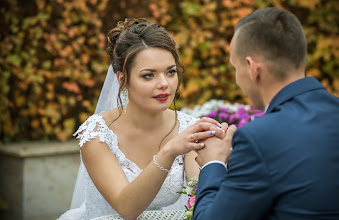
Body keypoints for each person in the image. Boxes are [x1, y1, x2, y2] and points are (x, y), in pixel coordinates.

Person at [58, 18, 225, 220]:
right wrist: (169, 151)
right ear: (122, 79)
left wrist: (220, 158)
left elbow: (199, 195)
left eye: (170, 72)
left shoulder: (188, 128)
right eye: (148, 75)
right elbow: (126, 208)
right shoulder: (96, 133)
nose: (164, 84)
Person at [193, 7, 339, 220]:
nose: (236, 78)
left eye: (235, 67)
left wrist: (213, 163)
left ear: (253, 68)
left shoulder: (258, 139)